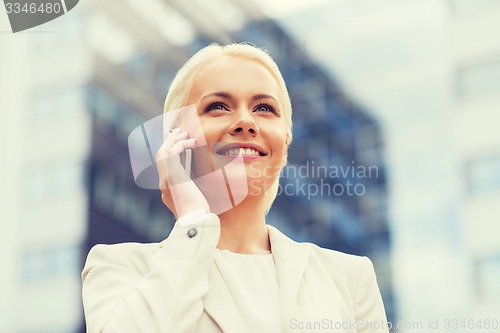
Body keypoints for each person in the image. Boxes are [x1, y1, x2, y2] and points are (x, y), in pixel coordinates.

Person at [82, 43, 389, 333]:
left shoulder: (349, 278)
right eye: (218, 107)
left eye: (264, 109)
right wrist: (192, 222)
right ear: (176, 141)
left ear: (284, 142)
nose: (245, 122)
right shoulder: (121, 267)